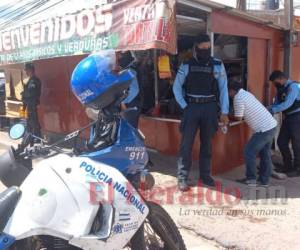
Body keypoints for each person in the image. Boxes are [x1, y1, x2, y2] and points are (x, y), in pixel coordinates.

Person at [173, 34, 229, 191]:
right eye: (201, 48)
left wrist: (224, 111)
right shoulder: (186, 65)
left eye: (207, 48)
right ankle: (182, 177)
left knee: (207, 144)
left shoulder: (217, 64)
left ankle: (205, 175)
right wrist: (185, 106)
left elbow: (224, 88)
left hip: (210, 108)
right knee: (186, 144)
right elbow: (176, 87)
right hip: (191, 107)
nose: (205, 51)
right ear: (195, 48)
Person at [229, 81, 277, 187]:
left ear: (232, 91)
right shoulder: (246, 93)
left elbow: (238, 117)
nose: (228, 95)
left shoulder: (238, 98)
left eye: (229, 92)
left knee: (249, 151)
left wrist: (227, 115)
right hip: (271, 125)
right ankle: (264, 181)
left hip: (263, 129)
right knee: (265, 154)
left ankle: (251, 179)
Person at [269, 70, 300, 176]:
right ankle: (288, 166)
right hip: (287, 118)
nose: (274, 84)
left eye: (275, 81)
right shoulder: (280, 88)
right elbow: (277, 102)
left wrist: (273, 110)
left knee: (297, 143)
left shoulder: (294, 87)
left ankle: (297, 168)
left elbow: (288, 103)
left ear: (281, 78)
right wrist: (270, 108)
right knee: (281, 141)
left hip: (297, 117)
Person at [118, 51, 141, 129]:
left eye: (120, 57)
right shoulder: (127, 70)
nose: (119, 59)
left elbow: (135, 89)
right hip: (131, 105)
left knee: (129, 130)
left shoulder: (130, 71)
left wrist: (124, 101)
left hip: (131, 106)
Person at [21, 62, 42, 137]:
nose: (25, 72)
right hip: (27, 106)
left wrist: (24, 93)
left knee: (34, 123)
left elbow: (31, 93)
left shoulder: (35, 81)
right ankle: (30, 141)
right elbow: (26, 95)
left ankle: (37, 140)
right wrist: (23, 110)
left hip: (32, 106)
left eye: (26, 70)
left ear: (30, 70)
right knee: (29, 125)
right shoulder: (29, 81)